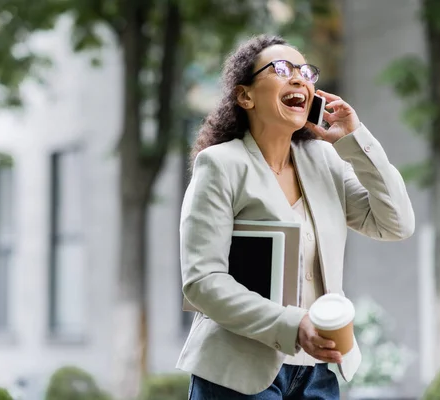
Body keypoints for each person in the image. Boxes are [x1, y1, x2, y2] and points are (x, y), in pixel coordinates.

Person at [177, 35, 415, 400]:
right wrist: (292, 324)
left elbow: (396, 223)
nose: (299, 78)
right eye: (282, 69)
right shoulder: (221, 165)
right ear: (245, 96)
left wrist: (355, 140)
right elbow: (202, 282)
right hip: (237, 374)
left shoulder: (326, 162)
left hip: (317, 374)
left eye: (306, 71)